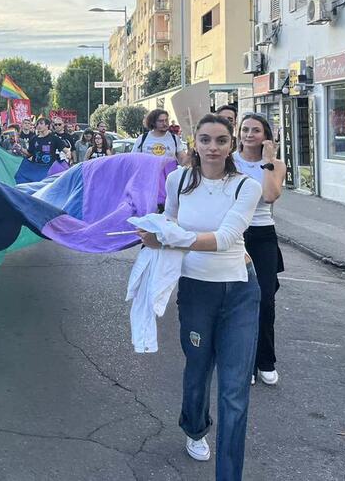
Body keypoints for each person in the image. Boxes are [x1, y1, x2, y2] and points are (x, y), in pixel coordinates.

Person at [136, 113, 262, 477]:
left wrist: (169, 238)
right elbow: (170, 223)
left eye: (221, 140)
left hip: (239, 292)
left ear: (231, 145)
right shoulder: (177, 181)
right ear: (195, 142)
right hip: (195, 290)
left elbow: (224, 239)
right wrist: (155, 231)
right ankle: (194, 427)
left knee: (234, 393)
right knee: (197, 369)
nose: (212, 147)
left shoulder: (245, 186)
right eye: (205, 140)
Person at [233, 114, 286, 386]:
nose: (249, 134)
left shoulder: (275, 165)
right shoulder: (229, 161)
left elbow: (269, 195)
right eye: (245, 129)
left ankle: (265, 359)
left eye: (255, 130)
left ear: (265, 135)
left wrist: (267, 160)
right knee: (238, 299)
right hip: (233, 232)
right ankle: (244, 360)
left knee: (265, 298)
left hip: (263, 234)